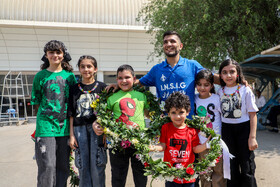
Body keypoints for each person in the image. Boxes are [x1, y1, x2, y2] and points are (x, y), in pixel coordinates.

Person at [108, 31, 220, 118]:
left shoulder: (192, 65)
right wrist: (119, 85)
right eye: (165, 42)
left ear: (180, 46)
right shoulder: (157, 70)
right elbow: (138, 83)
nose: (168, 44)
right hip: (165, 123)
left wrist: (233, 79)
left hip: (188, 123)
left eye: (172, 41)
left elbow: (212, 78)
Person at [93, 64, 149, 187]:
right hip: (118, 142)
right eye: (120, 78)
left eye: (127, 77)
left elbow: (150, 114)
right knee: (118, 176)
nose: (124, 81)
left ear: (134, 79)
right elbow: (103, 117)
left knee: (141, 175)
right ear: (117, 80)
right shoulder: (112, 97)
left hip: (139, 141)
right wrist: (96, 124)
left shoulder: (142, 96)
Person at [31, 40, 77, 187]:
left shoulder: (70, 77)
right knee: (48, 165)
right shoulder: (40, 76)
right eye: (51, 52)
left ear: (63, 55)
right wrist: (44, 120)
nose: (55, 55)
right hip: (45, 128)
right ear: (46, 55)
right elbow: (36, 101)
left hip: (64, 129)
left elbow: (72, 103)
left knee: (63, 167)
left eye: (58, 52)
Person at [149, 92, 210, 187]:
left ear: (188, 112)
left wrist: (206, 145)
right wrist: (153, 147)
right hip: (171, 175)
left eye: (181, 112)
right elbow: (163, 145)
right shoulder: (165, 128)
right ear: (168, 113)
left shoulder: (192, 130)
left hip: (188, 175)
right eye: (173, 113)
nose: (177, 116)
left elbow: (195, 149)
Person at [217, 59, 258, 187]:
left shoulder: (245, 90)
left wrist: (252, 137)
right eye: (224, 72)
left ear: (238, 73)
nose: (228, 75)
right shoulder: (219, 91)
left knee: (247, 167)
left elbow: (252, 114)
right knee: (231, 167)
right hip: (227, 131)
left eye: (232, 72)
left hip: (244, 130)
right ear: (220, 75)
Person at [68, 55, 107, 187]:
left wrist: (106, 134)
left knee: (98, 164)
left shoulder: (103, 88)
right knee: (83, 165)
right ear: (79, 69)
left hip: (98, 130)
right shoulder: (74, 88)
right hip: (79, 130)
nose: (86, 69)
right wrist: (72, 136)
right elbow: (71, 114)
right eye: (82, 66)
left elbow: (108, 113)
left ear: (95, 69)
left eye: (89, 66)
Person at [194, 69, 226, 187]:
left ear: (212, 85)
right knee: (204, 173)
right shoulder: (194, 99)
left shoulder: (217, 99)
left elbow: (223, 119)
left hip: (216, 142)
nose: (202, 88)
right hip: (201, 143)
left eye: (206, 85)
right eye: (199, 84)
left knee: (219, 172)